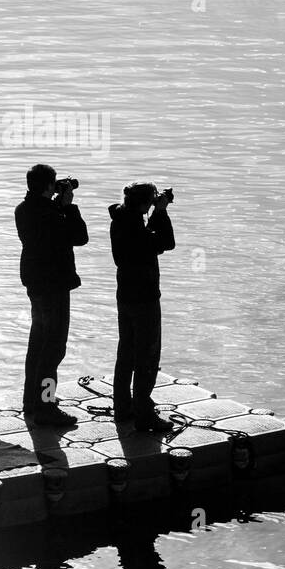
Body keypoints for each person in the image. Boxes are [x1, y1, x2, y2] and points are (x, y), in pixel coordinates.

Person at [15, 164, 88, 426]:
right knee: (54, 349)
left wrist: (57, 205)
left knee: (37, 343)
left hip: (36, 285)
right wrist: (68, 205)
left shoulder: (23, 209)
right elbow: (79, 236)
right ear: (48, 186)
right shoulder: (51, 214)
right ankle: (46, 406)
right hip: (54, 287)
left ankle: (31, 400)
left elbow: (50, 232)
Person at [109, 182, 176, 432]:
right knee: (147, 356)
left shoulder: (121, 220)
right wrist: (161, 212)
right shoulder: (136, 227)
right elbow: (166, 242)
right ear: (145, 204)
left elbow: (149, 240)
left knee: (126, 353)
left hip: (125, 294)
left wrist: (155, 212)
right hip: (144, 297)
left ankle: (123, 407)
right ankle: (144, 414)